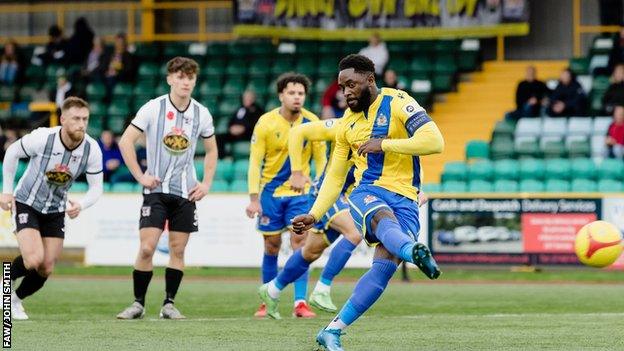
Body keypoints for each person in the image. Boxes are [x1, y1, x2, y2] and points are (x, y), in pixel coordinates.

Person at [291, 54, 443, 350]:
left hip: (407, 198)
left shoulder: (399, 102)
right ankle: (414, 251)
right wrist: (315, 213)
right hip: (367, 193)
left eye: (351, 84)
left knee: (383, 269)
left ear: (370, 80)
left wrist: (384, 144)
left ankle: (332, 330)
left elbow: (435, 142)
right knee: (382, 220)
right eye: (341, 87)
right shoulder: (346, 125)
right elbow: (335, 176)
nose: (345, 92)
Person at [115, 57, 217, 320]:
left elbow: (211, 149)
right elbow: (126, 141)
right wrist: (139, 175)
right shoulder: (153, 108)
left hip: (185, 191)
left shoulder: (201, 113)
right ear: (170, 79)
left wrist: (206, 183)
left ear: (195, 81)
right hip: (156, 190)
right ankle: (138, 303)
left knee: (178, 250)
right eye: (180, 77)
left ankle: (169, 304)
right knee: (147, 248)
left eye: (190, 77)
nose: (185, 82)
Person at [0, 97, 104, 320]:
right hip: (27, 202)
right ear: (63, 119)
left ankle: (15, 300)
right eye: (76, 118)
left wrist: (81, 205)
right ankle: (4, 282)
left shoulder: (91, 149)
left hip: (56, 209)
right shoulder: (43, 138)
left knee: (46, 267)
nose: (81, 124)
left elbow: (97, 188)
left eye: (85, 119)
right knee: (33, 260)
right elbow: (12, 153)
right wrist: (7, 191)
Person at [257, 118, 361, 318]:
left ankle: (271, 290)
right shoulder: (343, 124)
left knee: (310, 253)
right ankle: (322, 289)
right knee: (354, 233)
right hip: (327, 193)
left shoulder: (384, 131)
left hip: (345, 196)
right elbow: (298, 133)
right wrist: (296, 171)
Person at [246, 73, 326, 319]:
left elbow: (322, 160)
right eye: (291, 93)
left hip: (300, 194)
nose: (296, 97)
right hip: (270, 193)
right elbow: (255, 161)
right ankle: (266, 300)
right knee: (271, 246)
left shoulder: (313, 123)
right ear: (281, 95)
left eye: (300, 93)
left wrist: (320, 188)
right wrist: (253, 197)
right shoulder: (266, 123)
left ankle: (300, 303)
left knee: (300, 245)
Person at [216, 90, 263, 158]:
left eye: (248, 98)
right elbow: (231, 121)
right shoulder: (240, 109)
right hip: (236, 134)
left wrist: (243, 128)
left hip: (249, 134)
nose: (246, 100)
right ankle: (221, 158)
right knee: (219, 137)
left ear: (253, 99)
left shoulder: (258, 110)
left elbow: (257, 124)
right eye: (245, 98)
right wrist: (231, 128)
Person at [104, 33, 136, 102]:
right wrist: (106, 71)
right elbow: (104, 65)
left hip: (121, 76)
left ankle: (109, 100)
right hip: (109, 74)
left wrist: (117, 73)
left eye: (121, 42)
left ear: (125, 43)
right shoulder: (110, 54)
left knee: (111, 79)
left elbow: (129, 69)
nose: (119, 44)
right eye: (118, 42)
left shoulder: (128, 56)